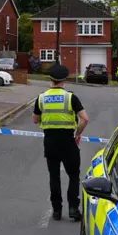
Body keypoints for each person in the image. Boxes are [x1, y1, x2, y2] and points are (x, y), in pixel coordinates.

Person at [32, 64, 89, 221]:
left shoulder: (41, 98)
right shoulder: (71, 97)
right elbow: (85, 118)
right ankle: (73, 209)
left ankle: (56, 210)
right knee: (73, 175)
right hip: (67, 141)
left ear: (50, 79)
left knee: (54, 175)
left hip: (50, 141)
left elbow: (35, 120)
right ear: (64, 81)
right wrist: (78, 134)